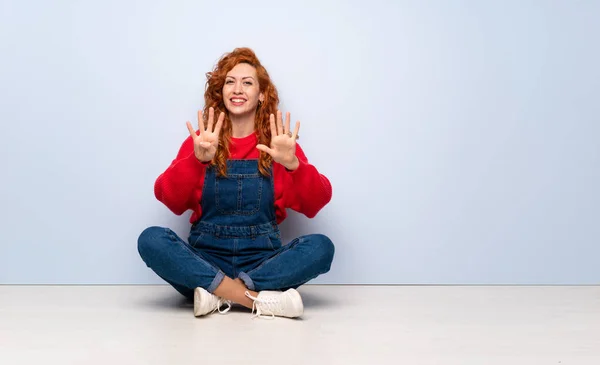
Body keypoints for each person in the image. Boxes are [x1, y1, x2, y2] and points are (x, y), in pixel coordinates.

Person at [137, 47, 334, 319]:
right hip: (206, 260)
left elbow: (317, 202)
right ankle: (255, 301)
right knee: (151, 239)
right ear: (221, 91)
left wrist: (294, 165)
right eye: (230, 81)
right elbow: (166, 196)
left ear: (261, 94)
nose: (237, 88)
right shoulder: (203, 141)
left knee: (322, 247)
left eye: (247, 82)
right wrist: (197, 160)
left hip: (262, 262)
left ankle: (216, 296)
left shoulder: (278, 144)